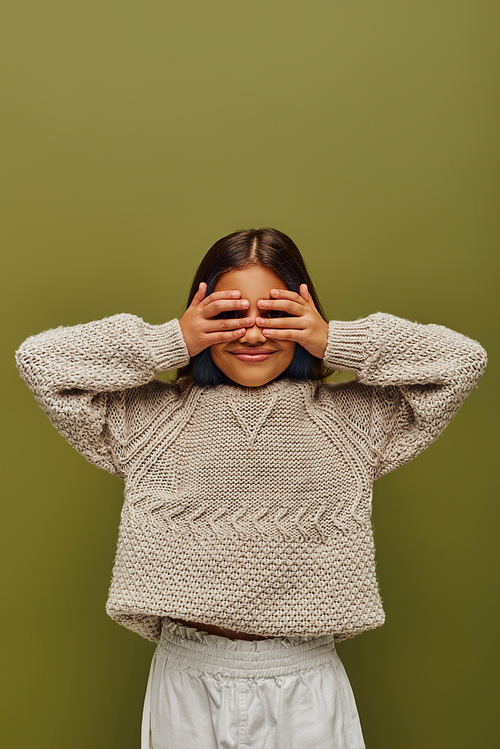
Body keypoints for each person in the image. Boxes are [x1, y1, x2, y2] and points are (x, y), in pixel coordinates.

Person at [15, 228, 487, 749]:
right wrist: (170, 339)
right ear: (199, 316)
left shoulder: (354, 422)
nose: (254, 335)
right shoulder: (149, 420)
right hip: (187, 675)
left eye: (277, 315)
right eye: (230, 316)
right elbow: (42, 360)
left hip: (305, 678)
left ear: (306, 317)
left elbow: (460, 361)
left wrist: (336, 340)